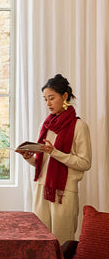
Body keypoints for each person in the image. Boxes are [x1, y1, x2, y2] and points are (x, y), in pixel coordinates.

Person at [17, 74, 92, 244]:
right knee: (39, 240)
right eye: (45, 99)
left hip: (63, 193)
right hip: (41, 189)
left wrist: (54, 152)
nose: (48, 103)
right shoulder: (46, 125)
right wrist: (29, 157)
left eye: (52, 98)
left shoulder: (79, 126)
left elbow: (85, 163)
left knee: (62, 240)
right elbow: (42, 164)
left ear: (64, 96)